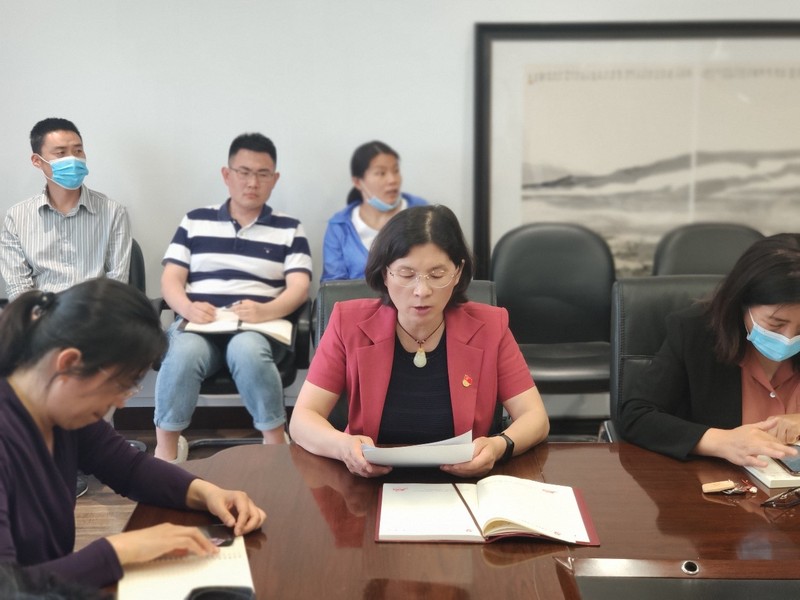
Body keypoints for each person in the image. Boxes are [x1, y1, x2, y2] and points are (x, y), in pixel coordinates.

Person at [0, 278, 266, 589]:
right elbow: (8, 586)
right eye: (121, 385)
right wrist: (119, 550)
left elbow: (130, 468)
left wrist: (207, 494)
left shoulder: (58, 412)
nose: (122, 402)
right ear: (69, 363)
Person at [290, 205, 549, 478]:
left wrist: (499, 446)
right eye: (406, 274)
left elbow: (535, 417)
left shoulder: (490, 327)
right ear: (385, 273)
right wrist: (343, 446)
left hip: (463, 482)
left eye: (437, 275)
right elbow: (303, 418)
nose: (422, 290)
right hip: (369, 482)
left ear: (457, 272)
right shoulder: (348, 323)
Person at [154, 133, 312, 461]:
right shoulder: (195, 221)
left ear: (274, 179)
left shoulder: (289, 228)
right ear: (227, 175)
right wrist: (187, 308)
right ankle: (167, 450)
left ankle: (275, 444)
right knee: (183, 351)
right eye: (244, 172)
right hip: (200, 327)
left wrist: (267, 311)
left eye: (262, 174)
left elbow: (299, 288)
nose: (252, 182)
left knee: (246, 348)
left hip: (260, 328)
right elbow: (170, 280)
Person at [618, 233, 800, 468]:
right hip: (719, 483)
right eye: (775, 324)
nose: (789, 338)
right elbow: (636, 416)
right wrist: (721, 441)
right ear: (742, 303)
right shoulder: (695, 333)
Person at [0, 118, 131, 301]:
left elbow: (117, 282)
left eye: (78, 151)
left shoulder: (114, 212)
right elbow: (18, 286)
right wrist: (37, 314)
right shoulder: (17, 217)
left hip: (95, 312)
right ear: (37, 161)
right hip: (40, 313)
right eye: (61, 153)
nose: (73, 159)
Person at [321, 140, 427, 281]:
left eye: (396, 171)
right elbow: (333, 286)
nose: (392, 180)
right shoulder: (339, 226)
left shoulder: (423, 213)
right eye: (381, 173)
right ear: (358, 182)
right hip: (358, 297)